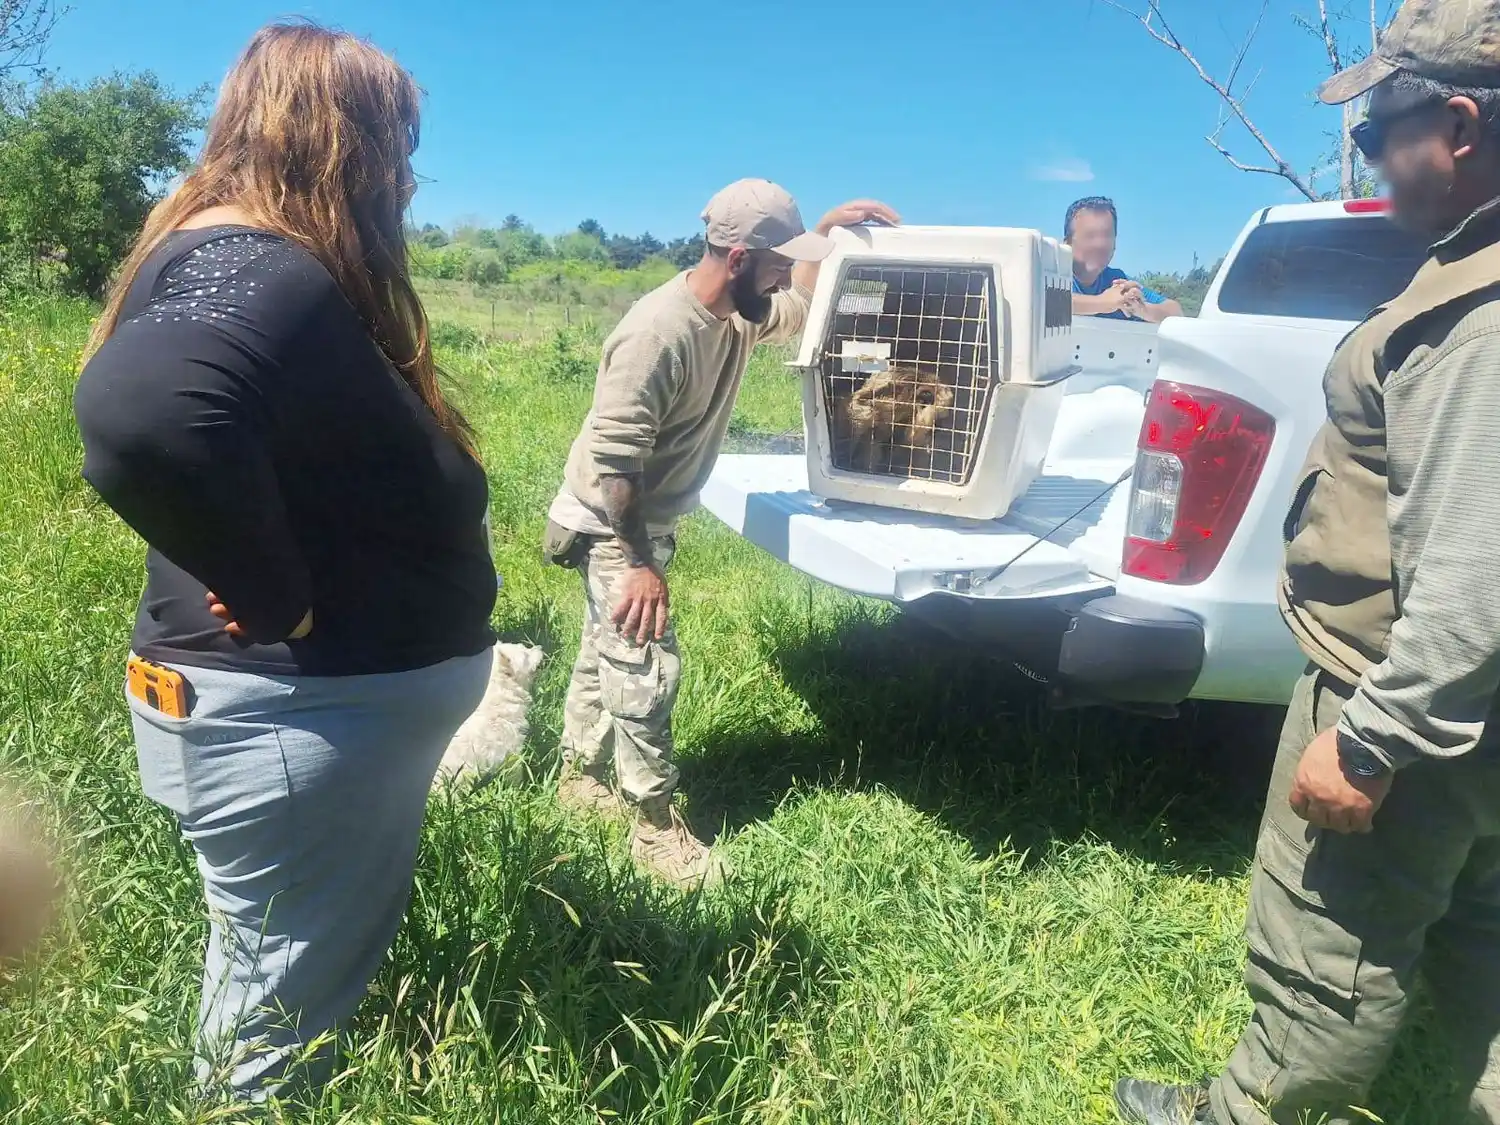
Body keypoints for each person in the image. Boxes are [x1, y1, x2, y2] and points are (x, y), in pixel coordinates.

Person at [71, 21, 497, 1103]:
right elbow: (147, 414)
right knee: (267, 1046)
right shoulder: (263, 261)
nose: (405, 176)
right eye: (394, 144)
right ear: (337, 141)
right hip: (297, 717)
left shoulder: (237, 255)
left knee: (260, 977)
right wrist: (278, 598)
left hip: (289, 722)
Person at [1113, 2, 1500, 1123]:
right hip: (1474, 713)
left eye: (1382, 127)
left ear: (1461, 126)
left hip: (1411, 701)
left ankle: (1245, 1115)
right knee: (1479, 936)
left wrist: (1373, 743)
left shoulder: (1476, 320)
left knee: (1327, 949)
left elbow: (1475, 577)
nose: (1367, 152)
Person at [542, 179, 899, 889]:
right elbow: (615, 467)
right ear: (738, 257)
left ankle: (578, 778)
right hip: (616, 521)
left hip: (641, 516)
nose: (780, 276)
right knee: (644, 664)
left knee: (600, 651)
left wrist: (824, 229)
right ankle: (653, 827)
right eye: (774, 262)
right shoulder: (658, 332)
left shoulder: (739, 312)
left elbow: (797, 305)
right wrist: (639, 563)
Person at [1066, 195, 1184, 322]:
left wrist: (1139, 308)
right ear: (1067, 243)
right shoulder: (1052, 276)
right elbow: (1046, 302)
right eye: (1090, 235)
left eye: (1107, 235)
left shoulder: (1117, 281)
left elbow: (1175, 312)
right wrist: (1103, 302)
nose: (1100, 244)